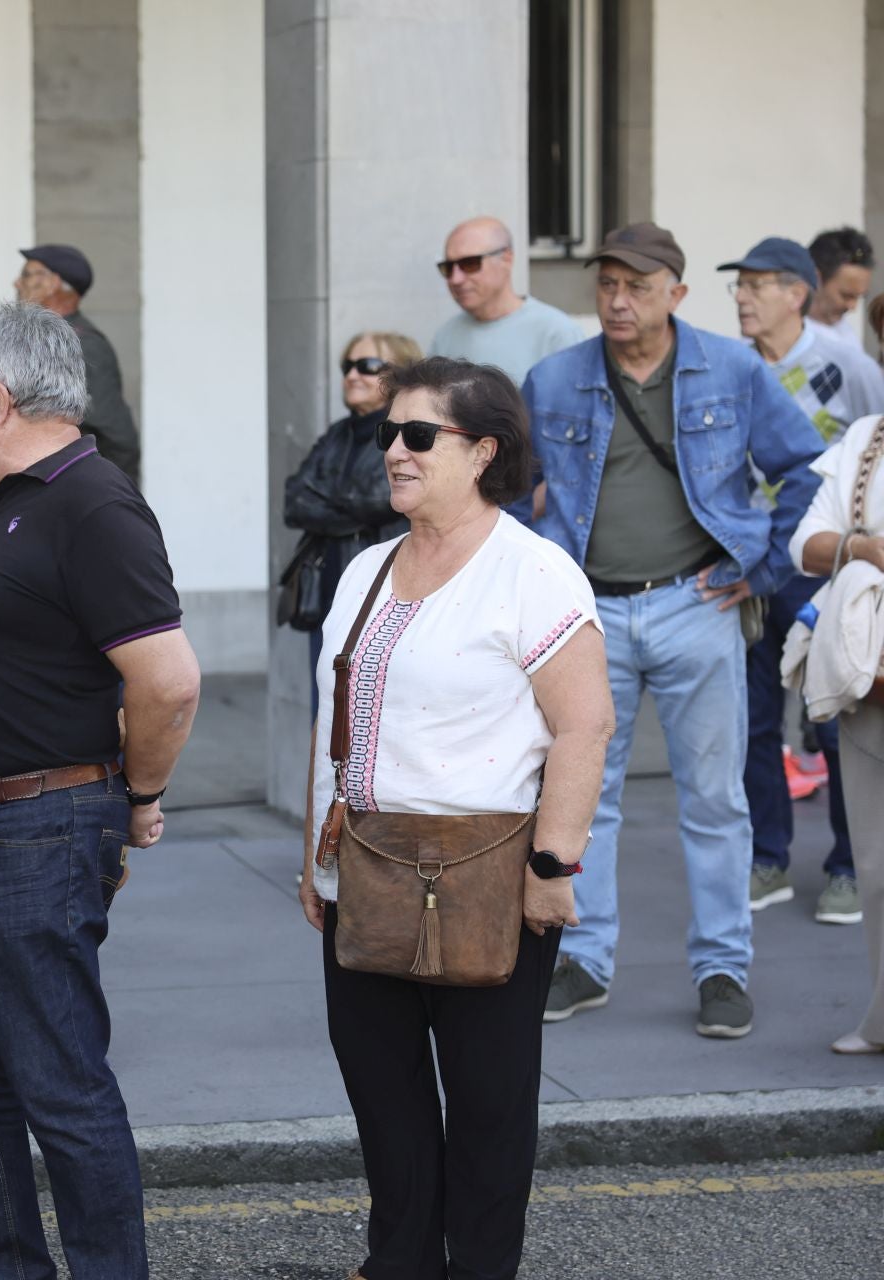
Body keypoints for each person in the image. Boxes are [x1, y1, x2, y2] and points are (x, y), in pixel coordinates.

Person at [0, 303, 201, 1280]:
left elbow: (169, 679)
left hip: (26, 831)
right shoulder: (2, 499)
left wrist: (138, 795)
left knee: (58, 1085)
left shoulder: (92, 504)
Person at [300, 356, 614, 1280]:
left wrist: (552, 869)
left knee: (486, 1109)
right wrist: (313, 859)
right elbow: (334, 723)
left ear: (483, 451)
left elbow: (585, 724)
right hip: (367, 867)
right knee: (384, 1100)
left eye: (418, 435)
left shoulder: (535, 573)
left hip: (487, 874)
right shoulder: (364, 568)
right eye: (389, 432)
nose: (393, 449)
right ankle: (400, 1266)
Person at [520, 222, 824, 1038]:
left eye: (638, 287)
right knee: (586, 797)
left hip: (698, 606)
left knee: (716, 802)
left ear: (676, 295)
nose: (619, 301)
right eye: (608, 284)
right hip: (588, 616)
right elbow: (513, 490)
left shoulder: (731, 368)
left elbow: (803, 468)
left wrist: (756, 570)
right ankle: (584, 959)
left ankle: (723, 967)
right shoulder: (552, 379)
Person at [720, 236, 883, 927]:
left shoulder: (845, 364)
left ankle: (847, 865)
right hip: (744, 575)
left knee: (837, 711)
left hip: (823, 576)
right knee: (754, 723)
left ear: (796, 293)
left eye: (757, 285)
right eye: (739, 285)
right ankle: (768, 857)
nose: (742, 297)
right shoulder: (725, 367)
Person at [786, 409, 884, 1053]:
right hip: (872, 676)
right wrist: (864, 547)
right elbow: (805, 545)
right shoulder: (867, 437)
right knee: (876, 868)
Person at [282, 330, 417, 708]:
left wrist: (329, 499)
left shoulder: (407, 436)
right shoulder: (338, 434)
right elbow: (293, 501)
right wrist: (350, 508)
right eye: (348, 366)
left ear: (399, 374)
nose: (353, 375)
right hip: (326, 595)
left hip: (384, 594)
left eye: (368, 366)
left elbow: (380, 500)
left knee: (374, 711)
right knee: (326, 710)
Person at [15, 244, 142, 484]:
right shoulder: (47, 341)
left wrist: (112, 502)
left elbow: (118, 438)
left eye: (26, 275)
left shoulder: (84, 347)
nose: (17, 283)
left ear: (51, 283)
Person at [428, 215, 583, 385]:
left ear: (506, 259)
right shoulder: (445, 336)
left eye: (470, 263)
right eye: (448, 267)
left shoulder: (556, 333)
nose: (455, 279)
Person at [807, 226, 875, 332]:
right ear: (815, 278)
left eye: (859, 297)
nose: (853, 307)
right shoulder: (779, 335)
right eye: (846, 296)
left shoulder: (847, 337)